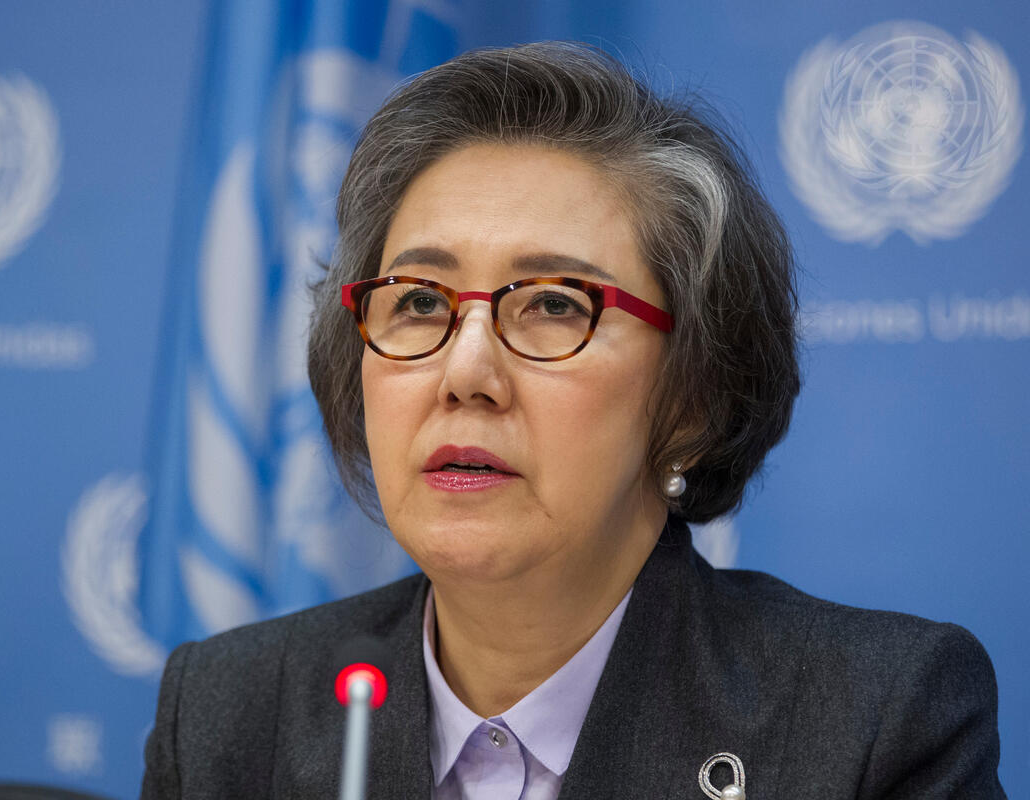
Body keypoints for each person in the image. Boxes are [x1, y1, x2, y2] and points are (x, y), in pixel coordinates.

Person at [141, 42, 1004, 799]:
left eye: (555, 305)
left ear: (694, 398)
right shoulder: (229, 712)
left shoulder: (872, 721)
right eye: (418, 301)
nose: (465, 374)